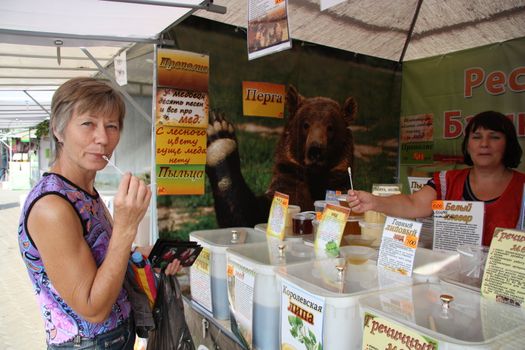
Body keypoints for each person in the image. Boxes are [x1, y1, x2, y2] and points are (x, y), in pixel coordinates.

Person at [18, 77, 180, 349]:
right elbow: (92, 308)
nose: (103, 138)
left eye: (112, 126)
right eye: (88, 124)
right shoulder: (52, 207)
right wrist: (127, 226)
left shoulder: (83, 191)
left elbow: (104, 255)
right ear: (58, 130)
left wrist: (150, 255)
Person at [347, 110, 525, 246]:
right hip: (452, 280)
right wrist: (375, 202)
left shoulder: (521, 186)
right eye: (476, 137)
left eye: (494, 137)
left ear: (508, 143)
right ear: (467, 145)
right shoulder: (447, 180)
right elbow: (413, 203)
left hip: (504, 286)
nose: (484, 144)